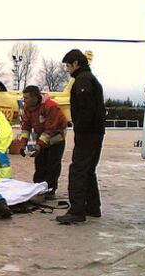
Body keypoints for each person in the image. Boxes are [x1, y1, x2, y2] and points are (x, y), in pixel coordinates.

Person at [56, 49, 106, 224]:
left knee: (78, 170)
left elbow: (86, 110)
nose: (67, 70)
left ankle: (76, 211)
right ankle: (93, 207)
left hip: (88, 134)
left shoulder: (83, 80)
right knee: (88, 171)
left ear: (76, 63)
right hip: (95, 132)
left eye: (68, 66)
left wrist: (81, 129)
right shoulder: (89, 79)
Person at [19, 85, 68, 199]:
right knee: (40, 164)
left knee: (52, 165)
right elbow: (26, 125)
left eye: (26, 98)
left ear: (35, 98)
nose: (24, 100)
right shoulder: (27, 107)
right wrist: (23, 144)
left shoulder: (51, 107)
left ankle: (50, 190)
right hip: (43, 137)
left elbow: (51, 129)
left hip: (56, 139)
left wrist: (38, 146)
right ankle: (38, 188)